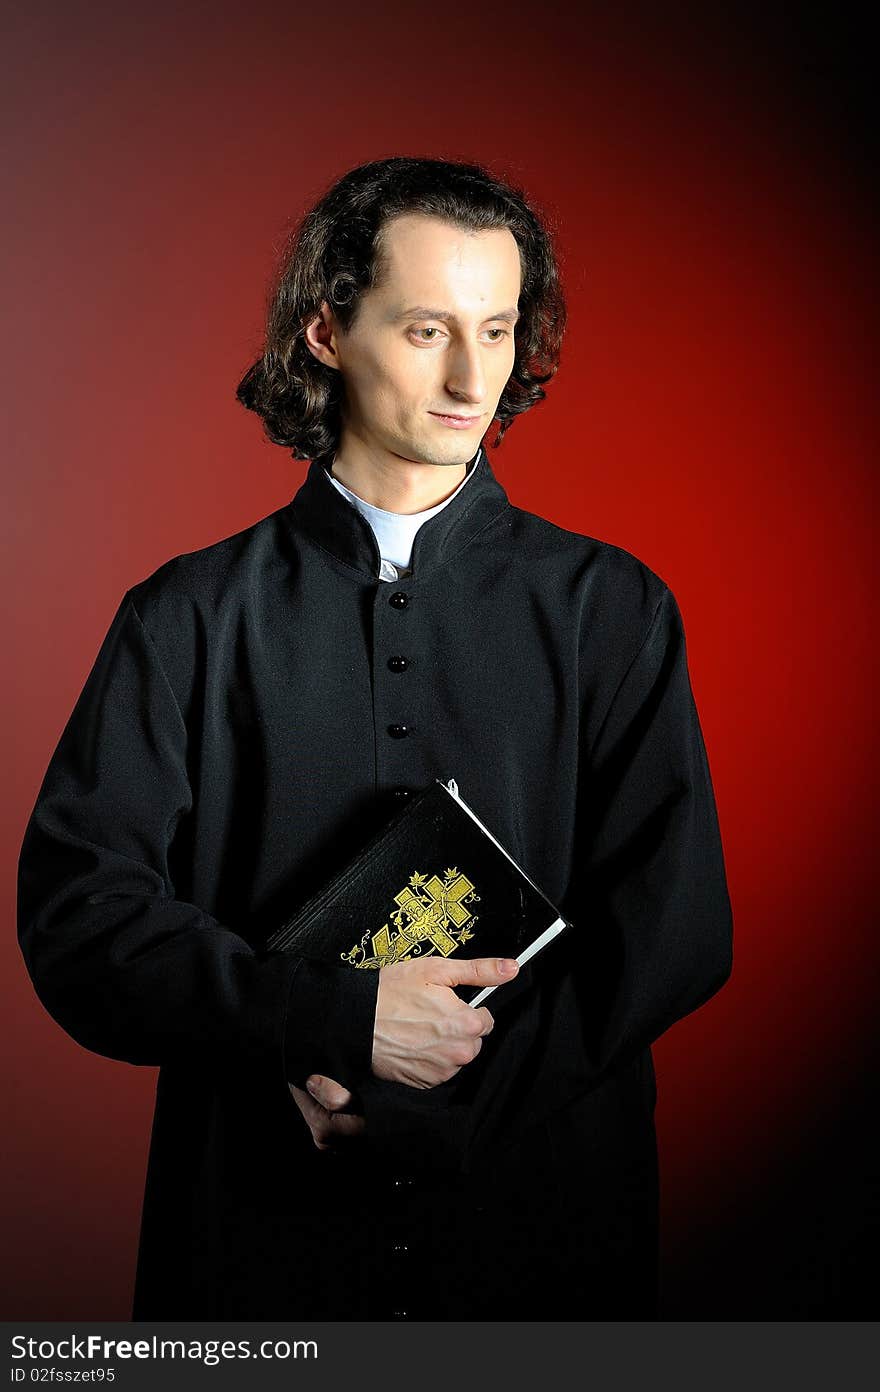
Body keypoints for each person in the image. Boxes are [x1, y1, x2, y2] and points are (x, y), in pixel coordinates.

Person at [17, 156, 733, 1321]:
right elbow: (79, 923)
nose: (471, 378)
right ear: (325, 331)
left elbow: (675, 930)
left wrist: (426, 1110)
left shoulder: (612, 607)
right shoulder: (186, 616)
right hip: (254, 1258)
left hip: (546, 1245)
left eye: (496, 331)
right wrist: (320, 1020)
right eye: (424, 329)